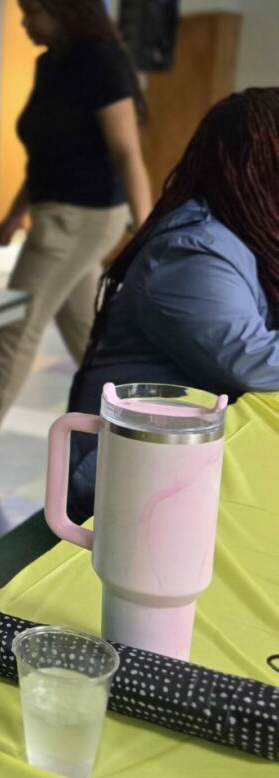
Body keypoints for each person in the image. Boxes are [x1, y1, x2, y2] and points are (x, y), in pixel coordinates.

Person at [0, 0, 152, 474]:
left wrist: (150, 229)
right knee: (87, 334)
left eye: (33, 11)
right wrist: (17, 212)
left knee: (16, 325)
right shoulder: (51, 64)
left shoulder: (101, 61)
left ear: (64, 6)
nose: (25, 22)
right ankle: (133, 422)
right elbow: (47, 153)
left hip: (82, 218)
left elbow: (127, 153)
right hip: (54, 212)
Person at [66, 88, 279, 522]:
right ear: (260, 166)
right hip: (127, 484)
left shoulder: (250, 233)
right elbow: (253, 362)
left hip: (181, 463)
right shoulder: (191, 252)